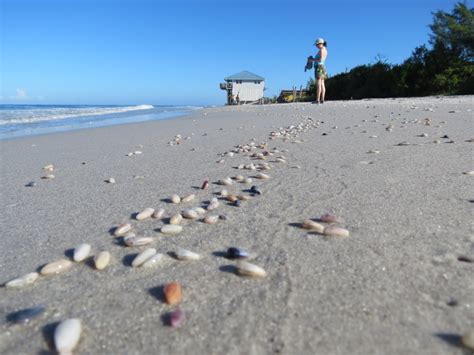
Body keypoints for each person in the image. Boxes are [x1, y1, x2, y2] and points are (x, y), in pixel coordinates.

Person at [312, 38, 328, 104]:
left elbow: (320, 60)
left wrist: (312, 60)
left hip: (319, 67)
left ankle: (318, 100)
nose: (316, 46)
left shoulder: (321, 50)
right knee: (322, 84)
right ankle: (322, 99)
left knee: (319, 84)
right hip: (323, 67)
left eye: (317, 45)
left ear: (320, 44)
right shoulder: (325, 49)